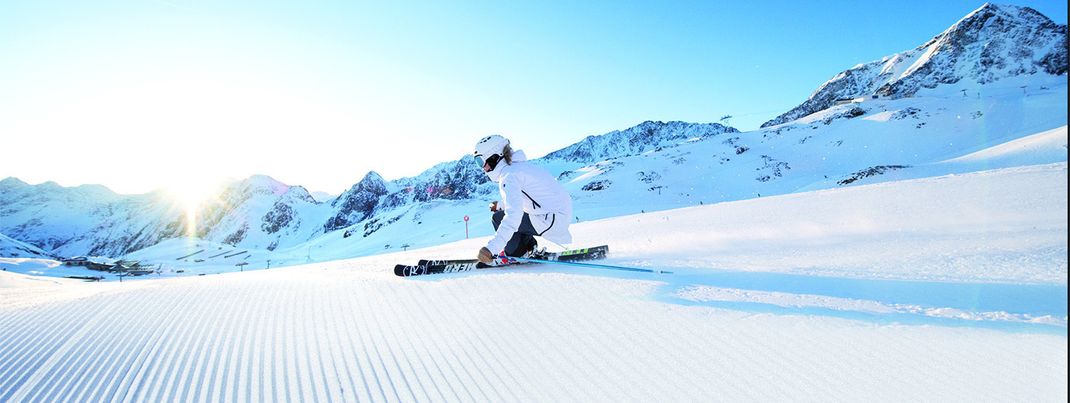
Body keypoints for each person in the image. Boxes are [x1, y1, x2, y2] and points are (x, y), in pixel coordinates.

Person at [473, 135, 573, 263]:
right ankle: (529, 247)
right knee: (504, 214)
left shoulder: (509, 176)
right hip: (557, 215)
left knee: (498, 218)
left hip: (550, 219)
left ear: (494, 157)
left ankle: (517, 254)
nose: (482, 168)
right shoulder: (520, 168)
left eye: (480, 161)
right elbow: (527, 200)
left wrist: (492, 249)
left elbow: (513, 215)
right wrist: (500, 206)